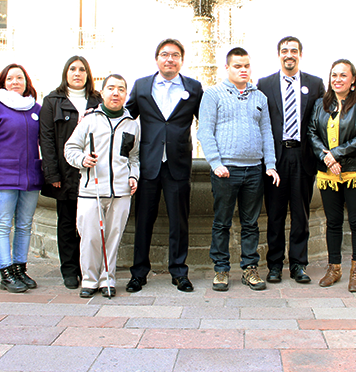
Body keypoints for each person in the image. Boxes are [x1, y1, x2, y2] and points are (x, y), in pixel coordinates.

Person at [197, 47, 280, 291]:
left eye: (246, 66)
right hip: (226, 171)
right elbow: (205, 131)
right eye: (237, 66)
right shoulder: (213, 95)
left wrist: (271, 165)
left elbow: (267, 132)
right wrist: (216, 163)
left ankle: (249, 269)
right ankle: (221, 270)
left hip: (254, 170)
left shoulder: (260, 97)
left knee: (250, 223)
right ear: (227, 68)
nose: (243, 70)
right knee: (222, 222)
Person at [125, 38, 203, 293]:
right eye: (164, 54)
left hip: (178, 164)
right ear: (157, 58)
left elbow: (207, 121)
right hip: (148, 165)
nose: (169, 59)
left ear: (181, 60)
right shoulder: (142, 86)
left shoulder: (193, 87)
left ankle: (179, 272)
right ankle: (139, 273)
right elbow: (126, 116)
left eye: (175, 55)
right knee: (143, 221)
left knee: (179, 221)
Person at [64, 74, 140, 298]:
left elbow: (134, 158)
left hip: (121, 192)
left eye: (121, 89)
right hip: (91, 190)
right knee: (90, 237)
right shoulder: (89, 120)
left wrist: (133, 177)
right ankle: (89, 280)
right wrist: (82, 160)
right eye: (111, 88)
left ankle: (108, 279)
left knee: (113, 237)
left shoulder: (132, 125)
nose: (116, 93)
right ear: (103, 92)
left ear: (126, 94)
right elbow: (71, 148)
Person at [257, 36, 325, 284]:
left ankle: (298, 264)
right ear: (279, 55)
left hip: (303, 156)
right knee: (274, 214)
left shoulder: (315, 84)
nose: (289, 54)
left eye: (294, 50)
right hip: (276, 157)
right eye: (285, 50)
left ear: (300, 54)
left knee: (301, 214)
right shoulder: (264, 84)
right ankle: (274, 265)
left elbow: (321, 122)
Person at [0, 64, 44, 293]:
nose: (15, 82)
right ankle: (6, 273)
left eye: (20, 78)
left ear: (27, 82)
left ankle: (19, 269)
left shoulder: (36, 108)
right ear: (3, 82)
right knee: (3, 225)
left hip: (30, 176)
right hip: (4, 177)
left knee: (24, 225)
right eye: (11, 78)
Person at [308, 59, 356, 292]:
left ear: (353, 79)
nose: (337, 79)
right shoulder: (320, 104)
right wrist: (326, 157)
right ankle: (334, 268)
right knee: (333, 222)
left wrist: (335, 154)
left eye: (343, 75)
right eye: (334, 75)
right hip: (328, 173)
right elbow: (312, 133)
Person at [39, 56, 101, 289]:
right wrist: (52, 174)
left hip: (92, 171)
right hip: (64, 173)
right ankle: (69, 270)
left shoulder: (97, 100)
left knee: (90, 223)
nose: (77, 73)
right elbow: (46, 139)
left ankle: (89, 268)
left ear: (88, 74)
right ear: (66, 73)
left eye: (82, 69)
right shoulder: (52, 101)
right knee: (66, 222)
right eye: (73, 69)